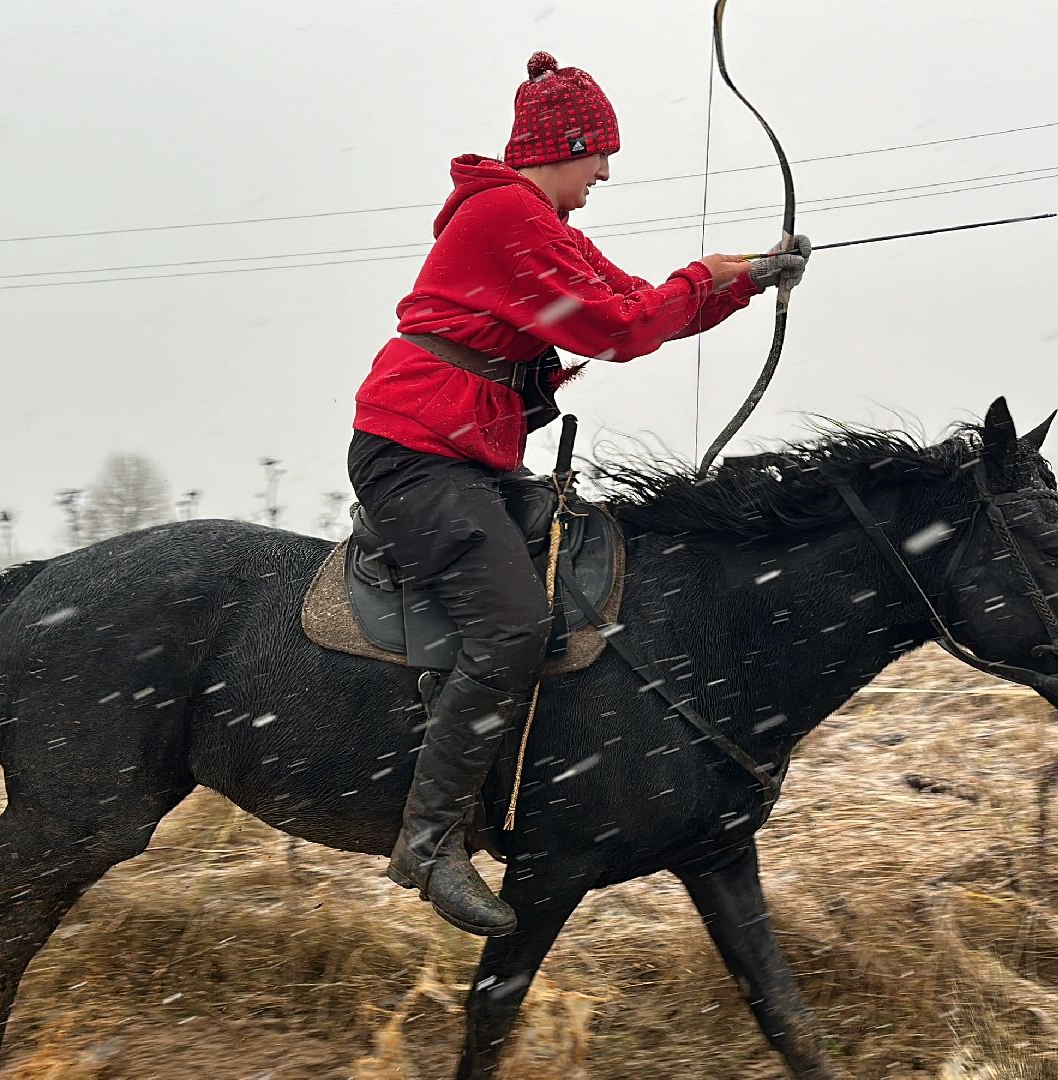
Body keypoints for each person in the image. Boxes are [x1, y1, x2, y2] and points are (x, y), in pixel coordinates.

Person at [347, 50, 809, 937]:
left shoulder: (534, 221)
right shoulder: (504, 218)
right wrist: (710, 279)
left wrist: (742, 280)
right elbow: (615, 329)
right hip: (417, 456)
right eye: (599, 155)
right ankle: (431, 839)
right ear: (562, 145)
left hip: (463, 455)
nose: (606, 172)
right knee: (512, 623)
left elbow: (628, 298)